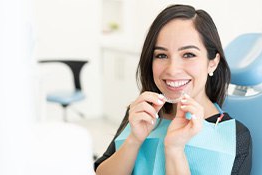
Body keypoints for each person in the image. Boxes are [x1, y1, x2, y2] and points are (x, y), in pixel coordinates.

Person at [94, 4, 252, 175]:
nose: (172, 69)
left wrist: (174, 150)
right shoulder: (143, 112)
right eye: (161, 55)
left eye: (188, 54)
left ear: (212, 62)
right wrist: (134, 139)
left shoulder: (235, 137)